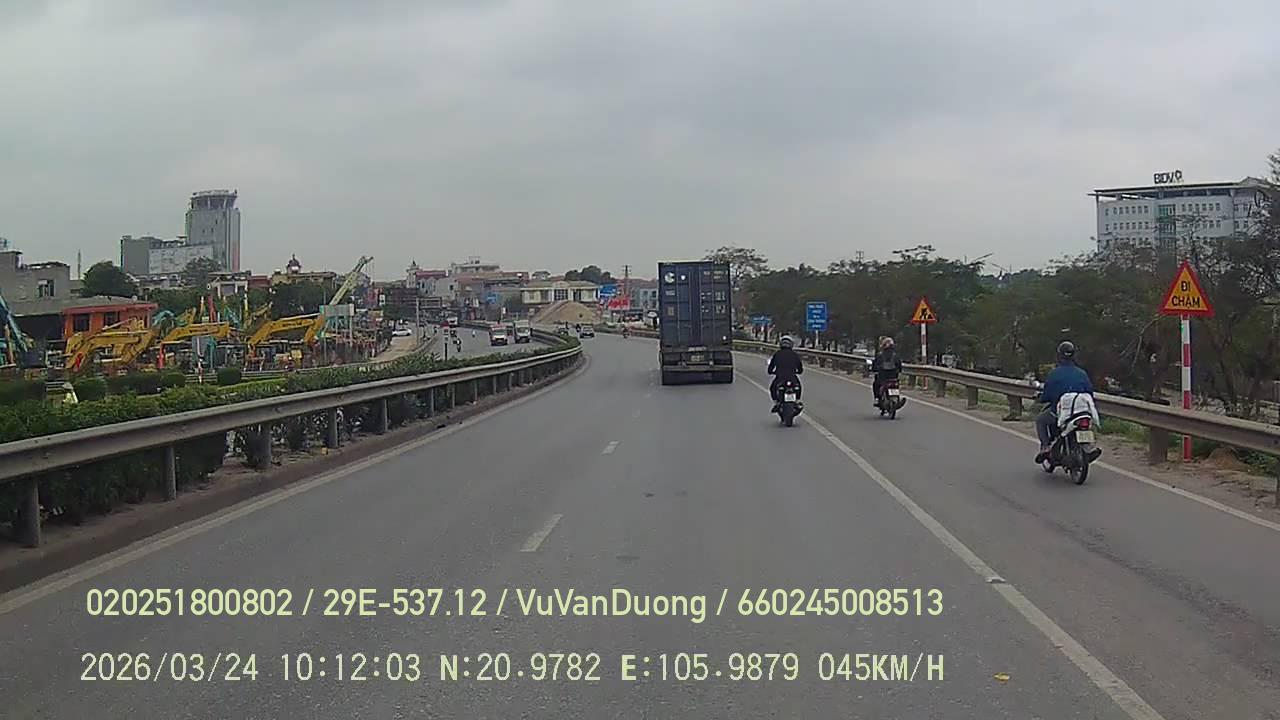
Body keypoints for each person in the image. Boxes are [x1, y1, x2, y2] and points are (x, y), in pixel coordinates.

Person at [1034, 341, 1101, 463]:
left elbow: (1047, 393)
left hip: (1061, 411)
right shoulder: (1081, 373)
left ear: (1059, 355)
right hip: (1082, 411)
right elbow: (1089, 391)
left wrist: (1042, 398)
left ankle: (1045, 447)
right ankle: (1088, 446)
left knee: (1040, 420)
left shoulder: (1055, 373)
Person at [767, 335, 803, 412]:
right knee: (798, 387)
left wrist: (771, 371)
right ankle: (797, 401)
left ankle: (776, 402)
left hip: (780, 377)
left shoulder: (777, 354)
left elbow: (771, 366)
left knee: (772, 388)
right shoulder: (794, 354)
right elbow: (800, 367)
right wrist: (799, 371)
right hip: (792, 377)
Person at [870, 337, 903, 407]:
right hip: (893, 376)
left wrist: (874, 370)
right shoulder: (895, 356)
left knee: (876, 384)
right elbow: (899, 366)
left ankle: (877, 398)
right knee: (895, 384)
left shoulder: (879, 355)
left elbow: (874, 365)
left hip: (883, 377)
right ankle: (897, 399)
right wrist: (899, 371)